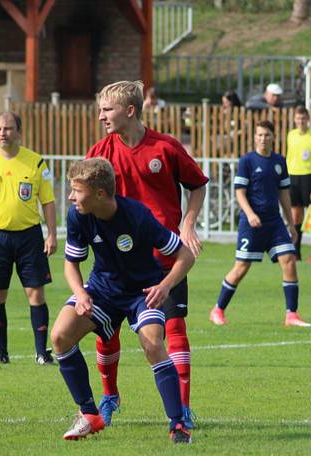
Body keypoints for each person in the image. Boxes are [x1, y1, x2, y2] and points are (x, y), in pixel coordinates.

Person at [86, 80, 209, 428]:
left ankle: (183, 409)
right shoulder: (100, 153)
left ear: (129, 111)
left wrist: (187, 224)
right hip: (118, 261)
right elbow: (84, 195)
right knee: (106, 333)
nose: (101, 116)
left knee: (175, 328)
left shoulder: (166, 148)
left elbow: (197, 184)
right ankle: (110, 397)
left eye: (106, 110)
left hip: (164, 256)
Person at [52, 158, 195, 443]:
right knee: (60, 336)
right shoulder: (77, 215)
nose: (70, 197)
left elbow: (185, 256)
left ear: (100, 194)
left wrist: (165, 286)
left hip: (142, 294)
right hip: (103, 291)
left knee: (153, 344)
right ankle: (90, 415)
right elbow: (71, 263)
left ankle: (178, 425)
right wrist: (81, 294)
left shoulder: (137, 216)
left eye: (76, 191)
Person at [0, 111, 58, 365]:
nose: (2, 134)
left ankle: (41, 352)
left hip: (29, 237)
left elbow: (48, 201)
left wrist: (51, 234)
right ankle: (0, 351)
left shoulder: (36, 163)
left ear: (19, 131)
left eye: (7, 128)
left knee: (36, 295)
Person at [209, 120, 311, 328]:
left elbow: (284, 193)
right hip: (252, 223)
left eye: (267, 135)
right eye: (260, 135)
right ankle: (218, 309)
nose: (263, 139)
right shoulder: (247, 161)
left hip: (274, 222)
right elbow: (239, 192)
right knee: (241, 267)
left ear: (273, 137)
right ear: (254, 137)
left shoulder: (279, 161)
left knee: (289, 260)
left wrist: (291, 224)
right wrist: (250, 214)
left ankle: (291, 314)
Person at [285, 105, 311, 263]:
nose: (300, 121)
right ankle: (296, 252)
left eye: (303, 118)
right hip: (293, 178)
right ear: (294, 119)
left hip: (309, 178)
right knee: (296, 216)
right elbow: (289, 157)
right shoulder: (291, 135)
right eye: (298, 118)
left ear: (308, 119)